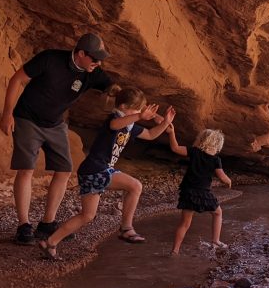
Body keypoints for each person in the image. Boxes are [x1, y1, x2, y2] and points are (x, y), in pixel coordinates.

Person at [0, 33, 118, 245]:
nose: (98, 63)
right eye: (95, 58)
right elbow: (18, 79)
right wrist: (7, 113)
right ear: (81, 53)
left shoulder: (93, 73)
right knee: (26, 169)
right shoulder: (50, 59)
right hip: (27, 118)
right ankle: (24, 226)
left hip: (55, 124)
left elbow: (113, 89)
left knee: (63, 170)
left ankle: (47, 223)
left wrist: (122, 99)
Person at [39, 88, 176, 260]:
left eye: (139, 111)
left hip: (93, 170)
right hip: (97, 168)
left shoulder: (130, 125)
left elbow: (149, 135)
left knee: (87, 216)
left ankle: (50, 242)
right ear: (123, 106)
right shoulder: (115, 119)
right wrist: (140, 116)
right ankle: (126, 228)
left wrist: (165, 123)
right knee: (135, 186)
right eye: (135, 110)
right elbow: (114, 125)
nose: (138, 113)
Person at [166, 126, 232, 255]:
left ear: (201, 140)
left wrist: (172, 132)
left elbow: (175, 148)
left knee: (184, 224)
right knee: (217, 213)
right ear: (218, 145)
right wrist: (229, 181)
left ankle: (175, 250)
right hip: (203, 193)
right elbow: (222, 176)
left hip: (188, 191)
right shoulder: (215, 160)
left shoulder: (194, 151)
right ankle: (216, 240)